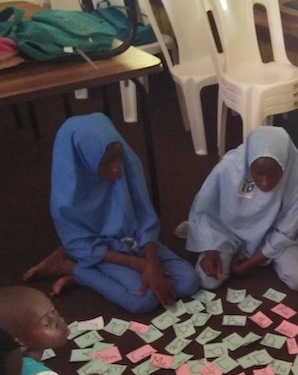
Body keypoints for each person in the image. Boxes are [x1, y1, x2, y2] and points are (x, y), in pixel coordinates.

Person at [23, 113, 198, 314]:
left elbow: (145, 218)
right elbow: (82, 245)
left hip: (136, 240)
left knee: (189, 282)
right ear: (84, 158)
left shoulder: (128, 166)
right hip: (101, 251)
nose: (116, 169)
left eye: (118, 157)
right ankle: (74, 269)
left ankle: (93, 273)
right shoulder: (65, 199)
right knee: (143, 301)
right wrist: (140, 265)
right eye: (106, 162)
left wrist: (150, 262)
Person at [185, 126, 298, 291]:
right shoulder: (229, 168)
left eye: (273, 175)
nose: (265, 183)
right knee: (208, 281)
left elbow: (288, 228)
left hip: (273, 235)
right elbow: (205, 209)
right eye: (258, 174)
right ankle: (220, 245)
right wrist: (210, 248)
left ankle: (261, 255)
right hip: (230, 232)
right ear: (248, 163)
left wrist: (251, 263)